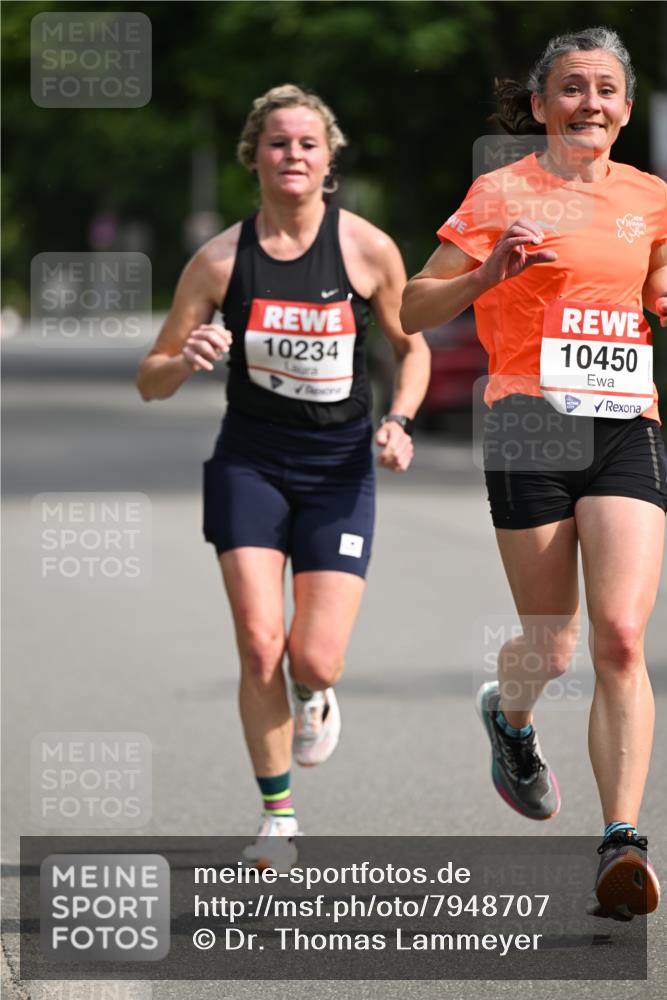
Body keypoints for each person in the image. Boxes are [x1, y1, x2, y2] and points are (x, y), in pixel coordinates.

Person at [401, 27, 666, 920]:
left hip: (625, 420)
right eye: (570, 89)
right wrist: (486, 273)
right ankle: (509, 718)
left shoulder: (650, 198)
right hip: (529, 425)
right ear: (543, 103)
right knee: (552, 647)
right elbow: (409, 304)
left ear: (625, 111)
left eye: (605, 91)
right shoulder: (499, 192)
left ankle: (619, 843)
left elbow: (656, 288)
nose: (588, 104)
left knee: (621, 639)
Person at [137, 84, 430, 868]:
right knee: (261, 643)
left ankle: (316, 693)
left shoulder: (367, 249)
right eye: (277, 143)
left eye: (306, 143)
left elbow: (411, 348)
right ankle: (278, 818)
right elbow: (149, 377)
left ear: (327, 158)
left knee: (313, 658)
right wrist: (184, 358)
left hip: (339, 469)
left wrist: (398, 420)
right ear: (253, 157)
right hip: (250, 463)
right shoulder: (220, 260)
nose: (292, 155)